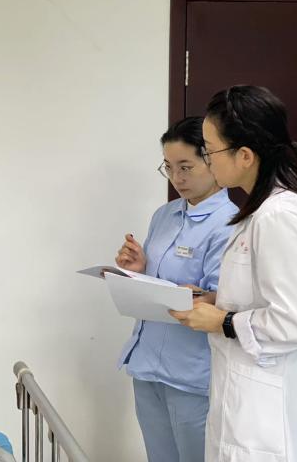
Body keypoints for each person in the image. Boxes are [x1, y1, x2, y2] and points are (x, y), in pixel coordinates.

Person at [170, 85, 297, 461]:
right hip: (249, 409)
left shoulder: (279, 217)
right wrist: (218, 300)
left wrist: (223, 321)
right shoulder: (257, 213)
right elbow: (267, 295)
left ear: (244, 155)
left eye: (210, 150)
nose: (207, 160)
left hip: (274, 426)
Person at [114, 117, 237, 462]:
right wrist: (139, 269)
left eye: (186, 167)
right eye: (168, 167)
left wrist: (200, 296)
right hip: (147, 362)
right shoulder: (164, 215)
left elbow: (224, 300)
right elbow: (159, 278)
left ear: (212, 161)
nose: (176, 178)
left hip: (191, 373)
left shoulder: (230, 224)